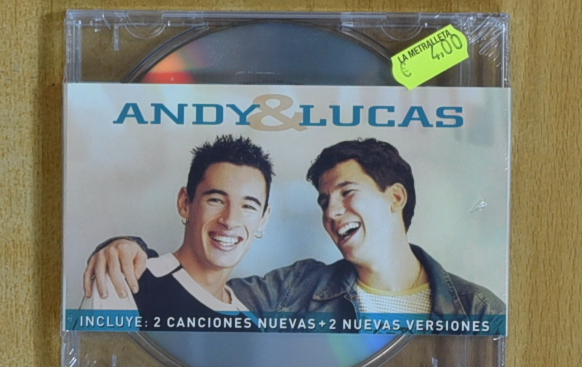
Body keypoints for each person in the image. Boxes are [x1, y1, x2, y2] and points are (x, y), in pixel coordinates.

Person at [84, 139, 505, 330]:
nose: (331, 212)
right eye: (324, 201)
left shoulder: (479, 309)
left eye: (347, 193)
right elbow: (202, 288)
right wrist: (125, 249)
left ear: (395, 197)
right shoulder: (297, 288)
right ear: (185, 202)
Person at [81, 135, 272, 330]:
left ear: (263, 220)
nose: (230, 220)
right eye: (216, 200)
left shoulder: (252, 328)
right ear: (185, 203)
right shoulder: (125, 280)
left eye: (248, 206)